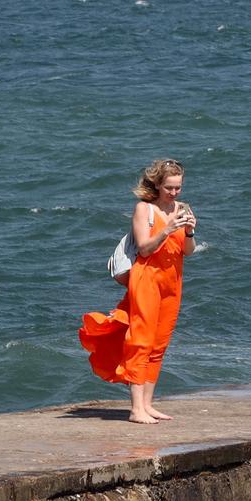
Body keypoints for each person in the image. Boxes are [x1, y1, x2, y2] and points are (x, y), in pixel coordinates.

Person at [79, 158, 197, 423]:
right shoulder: (145, 210)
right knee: (141, 341)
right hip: (146, 279)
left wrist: (188, 232)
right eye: (169, 187)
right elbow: (144, 248)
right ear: (156, 184)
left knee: (159, 344)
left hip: (172, 281)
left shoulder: (183, 208)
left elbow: (187, 252)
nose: (174, 193)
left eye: (178, 187)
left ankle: (148, 404)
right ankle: (135, 409)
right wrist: (168, 229)